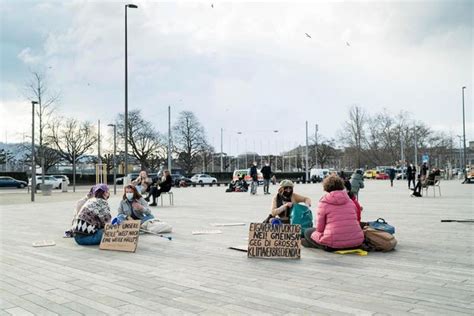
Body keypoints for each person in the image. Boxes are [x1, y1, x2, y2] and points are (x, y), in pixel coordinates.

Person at [302, 175, 364, 251]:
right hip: (356, 241)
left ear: (326, 187)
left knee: (308, 232)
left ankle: (315, 244)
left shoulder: (324, 202)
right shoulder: (350, 201)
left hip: (334, 244)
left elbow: (320, 228)